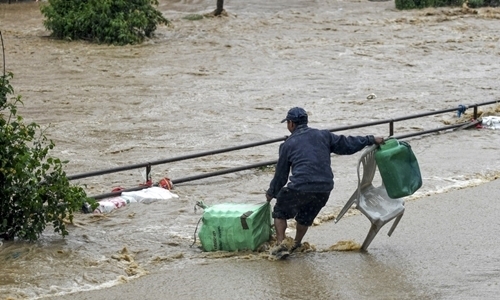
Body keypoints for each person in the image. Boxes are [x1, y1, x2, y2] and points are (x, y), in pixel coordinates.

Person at [266, 107, 384, 258]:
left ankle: (280, 245)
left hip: (301, 186)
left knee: (280, 211)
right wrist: (370, 139)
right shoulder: (324, 135)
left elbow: (281, 176)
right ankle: (296, 243)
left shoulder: (287, 145)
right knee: (306, 215)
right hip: (324, 187)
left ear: (291, 124)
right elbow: (347, 145)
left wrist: (271, 193)